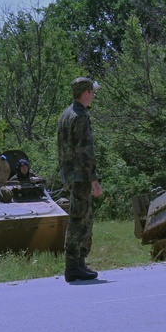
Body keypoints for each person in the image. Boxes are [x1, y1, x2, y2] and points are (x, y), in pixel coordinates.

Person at [58, 77, 103, 282]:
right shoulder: (80, 116)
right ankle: (74, 265)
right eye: (92, 92)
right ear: (85, 93)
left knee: (78, 218)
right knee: (81, 220)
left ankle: (78, 264)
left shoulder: (66, 115)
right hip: (80, 176)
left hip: (70, 175)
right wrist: (93, 179)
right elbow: (85, 151)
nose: (94, 95)